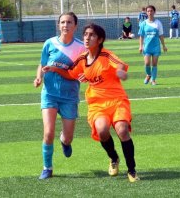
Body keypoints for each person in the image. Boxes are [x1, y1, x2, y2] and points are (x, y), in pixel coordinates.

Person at [43, 24, 140, 182]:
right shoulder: (81, 59)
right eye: (86, 34)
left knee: (122, 130)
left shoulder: (106, 55)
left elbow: (120, 65)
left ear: (100, 39)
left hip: (117, 100)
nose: (87, 38)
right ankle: (114, 158)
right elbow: (71, 74)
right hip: (96, 103)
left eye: (92, 35)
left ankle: (132, 170)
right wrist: (55, 69)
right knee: (102, 131)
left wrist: (121, 72)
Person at [33, 12, 85, 180]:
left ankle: (65, 142)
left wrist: (83, 75)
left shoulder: (81, 48)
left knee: (68, 137)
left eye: (69, 22)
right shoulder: (49, 43)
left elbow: (82, 71)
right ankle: (47, 167)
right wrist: (39, 77)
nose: (65, 25)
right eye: (62, 22)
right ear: (58, 25)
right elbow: (42, 63)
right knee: (48, 133)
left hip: (69, 96)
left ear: (75, 26)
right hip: (49, 94)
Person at [139, 5, 168, 86]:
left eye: (151, 11)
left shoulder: (158, 23)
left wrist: (164, 46)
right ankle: (148, 75)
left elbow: (161, 35)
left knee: (154, 64)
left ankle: (153, 80)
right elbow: (141, 36)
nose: (150, 12)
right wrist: (141, 46)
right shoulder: (143, 23)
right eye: (148, 11)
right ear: (146, 12)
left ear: (154, 12)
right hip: (147, 47)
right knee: (147, 63)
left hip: (156, 47)